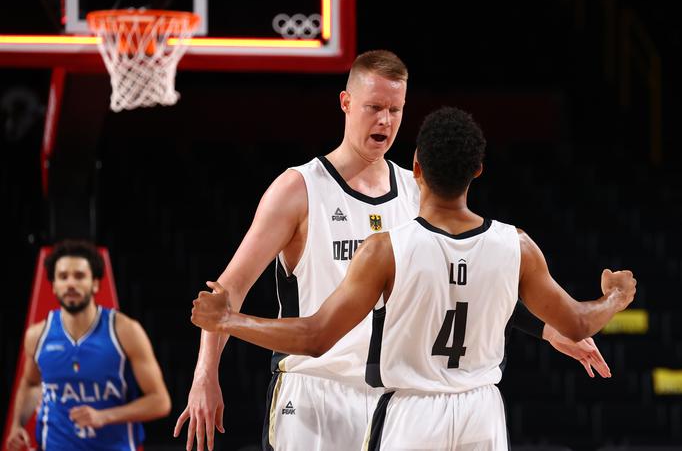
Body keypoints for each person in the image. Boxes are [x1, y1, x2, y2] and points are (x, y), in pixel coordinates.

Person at [173, 50, 609, 451]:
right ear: (345, 103)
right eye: (373, 108)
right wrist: (204, 375)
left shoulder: (415, 190)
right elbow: (227, 291)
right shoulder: (299, 189)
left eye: (395, 110)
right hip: (314, 394)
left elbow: (462, 282)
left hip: (390, 400)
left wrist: (551, 332)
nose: (384, 121)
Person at [5, 239, 171, 451]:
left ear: (95, 283)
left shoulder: (125, 331)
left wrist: (105, 416)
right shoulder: (37, 335)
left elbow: (160, 401)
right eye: (63, 277)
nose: (71, 283)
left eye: (79, 276)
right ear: (54, 286)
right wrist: (16, 425)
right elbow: (31, 384)